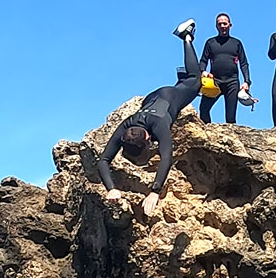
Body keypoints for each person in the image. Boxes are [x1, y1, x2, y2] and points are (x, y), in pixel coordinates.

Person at [96, 19, 201, 216]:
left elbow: (167, 156)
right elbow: (103, 160)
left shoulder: (159, 125)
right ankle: (181, 77)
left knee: (195, 80)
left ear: (147, 138)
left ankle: (186, 37)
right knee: (183, 84)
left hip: (170, 97)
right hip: (152, 97)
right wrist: (111, 189)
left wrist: (155, 192)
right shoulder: (125, 128)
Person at [198, 13, 252, 125]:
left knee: (230, 117)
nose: (222, 26)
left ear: (230, 25)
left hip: (232, 82)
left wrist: (246, 81)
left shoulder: (236, 43)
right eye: (220, 24)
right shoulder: (210, 42)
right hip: (215, 81)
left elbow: (244, 63)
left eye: (225, 23)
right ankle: (208, 133)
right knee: (203, 109)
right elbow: (203, 60)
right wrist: (203, 71)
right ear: (216, 26)